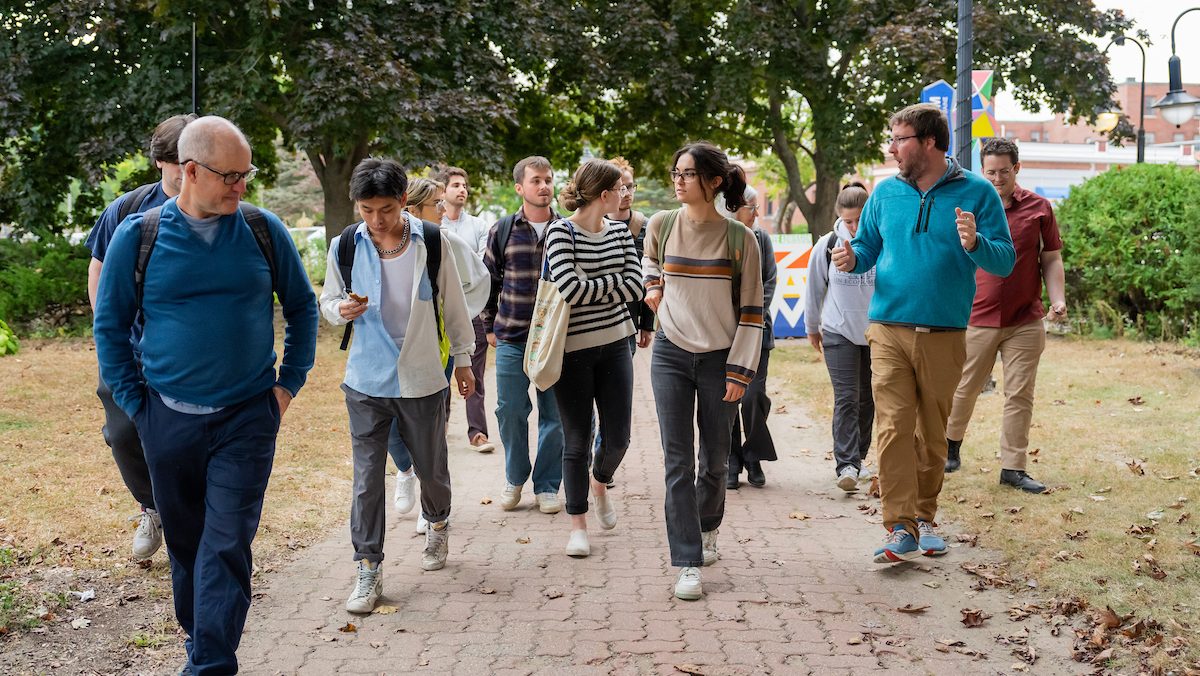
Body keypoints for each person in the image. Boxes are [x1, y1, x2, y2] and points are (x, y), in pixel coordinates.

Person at [93, 116, 318, 674]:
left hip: (246, 417)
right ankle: (202, 642)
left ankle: (209, 665)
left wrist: (286, 386)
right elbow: (110, 324)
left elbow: (302, 307)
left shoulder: (264, 230)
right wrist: (137, 406)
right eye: (231, 177)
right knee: (189, 549)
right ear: (190, 171)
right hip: (165, 418)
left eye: (247, 175)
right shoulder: (137, 235)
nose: (241, 187)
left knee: (226, 545)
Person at [832, 103, 1014, 565]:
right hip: (888, 326)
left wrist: (975, 243)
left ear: (930, 142)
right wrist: (852, 259)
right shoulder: (884, 193)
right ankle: (899, 526)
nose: (892, 148)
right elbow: (869, 246)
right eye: (892, 139)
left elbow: (1004, 260)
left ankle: (926, 516)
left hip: (945, 330)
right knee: (893, 428)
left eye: (900, 139)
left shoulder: (977, 192)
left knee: (931, 434)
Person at [319, 159, 477, 614]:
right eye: (366, 210)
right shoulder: (345, 246)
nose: (375, 220)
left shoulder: (431, 240)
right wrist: (339, 310)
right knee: (367, 480)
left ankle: (438, 521)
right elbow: (328, 298)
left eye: (385, 209)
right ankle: (367, 567)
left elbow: (454, 306)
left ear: (403, 200)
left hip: (423, 375)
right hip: (367, 379)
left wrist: (463, 361)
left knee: (431, 467)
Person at [644, 141, 764, 600]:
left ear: (713, 182)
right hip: (670, 354)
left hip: (720, 360)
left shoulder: (741, 239)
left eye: (688, 174)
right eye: (676, 172)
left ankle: (709, 525)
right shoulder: (663, 223)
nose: (678, 181)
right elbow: (649, 261)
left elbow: (753, 310)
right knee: (677, 461)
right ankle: (688, 561)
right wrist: (652, 284)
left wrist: (740, 371)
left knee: (713, 462)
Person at [85, 113, 195, 560]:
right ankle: (152, 506)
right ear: (159, 164)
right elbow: (97, 269)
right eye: (176, 167)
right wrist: (107, 327)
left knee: (184, 434)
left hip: (186, 349)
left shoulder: (217, 209)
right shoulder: (127, 210)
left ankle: (188, 515)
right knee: (123, 431)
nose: (186, 176)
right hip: (130, 345)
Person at [944, 138, 1066, 494]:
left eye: (1003, 171)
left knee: (1020, 394)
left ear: (1017, 169)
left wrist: (1057, 300)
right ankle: (950, 445)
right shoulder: (969, 208)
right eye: (990, 172)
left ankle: (1013, 467)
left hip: (1025, 318)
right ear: (982, 172)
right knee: (963, 387)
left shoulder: (1039, 208)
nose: (996, 178)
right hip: (976, 315)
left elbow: (1052, 258)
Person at [546, 159, 644, 557]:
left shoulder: (621, 232)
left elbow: (636, 285)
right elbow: (569, 288)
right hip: (572, 352)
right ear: (604, 194)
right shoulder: (560, 231)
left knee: (618, 437)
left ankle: (600, 482)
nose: (625, 194)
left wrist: (596, 286)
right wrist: (613, 285)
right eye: (620, 188)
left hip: (618, 343)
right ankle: (577, 524)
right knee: (577, 440)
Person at [383, 177, 489, 534]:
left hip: (434, 348)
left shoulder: (443, 239)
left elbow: (479, 280)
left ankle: (429, 501)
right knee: (388, 422)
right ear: (411, 209)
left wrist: (454, 309)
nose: (442, 211)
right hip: (387, 348)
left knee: (430, 424)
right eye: (435, 206)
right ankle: (404, 468)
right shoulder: (380, 242)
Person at [482, 156, 565, 514]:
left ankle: (547, 486)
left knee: (556, 414)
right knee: (510, 410)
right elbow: (488, 283)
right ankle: (515, 477)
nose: (544, 186)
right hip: (512, 337)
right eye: (536, 180)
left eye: (548, 180)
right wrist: (488, 326)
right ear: (520, 187)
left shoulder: (568, 230)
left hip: (555, 341)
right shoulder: (502, 230)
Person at [804, 183, 876, 494]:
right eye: (849, 221)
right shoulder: (828, 244)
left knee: (869, 399)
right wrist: (812, 326)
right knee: (847, 398)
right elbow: (813, 288)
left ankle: (858, 456)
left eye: (860, 219)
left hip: (876, 331)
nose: (855, 226)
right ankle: (846, 464)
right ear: (839, 218)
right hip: (838, 330)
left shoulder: (881, 241)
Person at [718, 185, 778, 490]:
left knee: (754, 397)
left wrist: (751, 315)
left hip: (757, 332)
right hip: (723, 333)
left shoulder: (761, 237)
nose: (756, 213)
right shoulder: (720, 236)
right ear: (733, 207)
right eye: (751, 207)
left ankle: (752, 454)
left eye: (756, 208)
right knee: (726, 398)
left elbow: (770, 280)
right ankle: (731, 458)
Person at [438, 166, 497, 454]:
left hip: (473, 310)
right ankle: (441, 430)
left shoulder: (479, 226)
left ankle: (478, 432)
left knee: (474, 372)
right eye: (455, 185)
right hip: (438, 313)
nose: (462, 189)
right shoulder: (434, 227)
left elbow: (482, 266)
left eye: (464, 185)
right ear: (443, 191)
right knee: (440, 374)